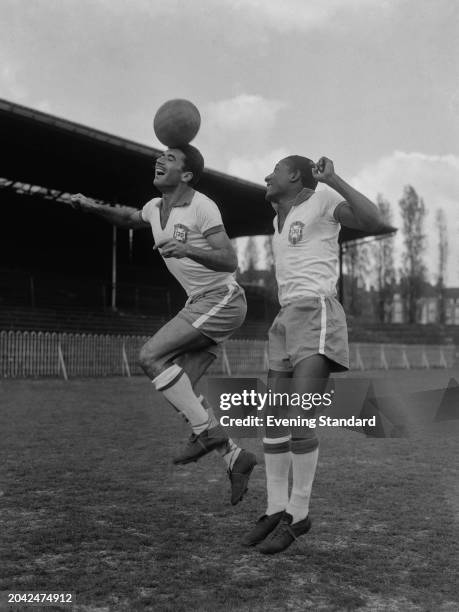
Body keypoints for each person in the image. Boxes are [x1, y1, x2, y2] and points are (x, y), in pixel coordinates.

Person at [70, 144, 257, 505]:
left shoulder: (203, 206)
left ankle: (207, 435)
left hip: (222, 298)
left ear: (186, 175)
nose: (159, 160)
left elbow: (229, 259)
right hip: (202, 302)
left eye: (170, 159)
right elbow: (127, 217)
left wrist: (188, 249)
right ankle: (235, 456)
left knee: (151, 356)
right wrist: (91, 206)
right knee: (182, 393)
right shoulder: (156, 208)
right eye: (161, 156)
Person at [242, 155, 387, 552]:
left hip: (316, 312)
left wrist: (335, 179)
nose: (267, 175)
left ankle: (300, 514)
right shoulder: (279, 216)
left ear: (295, 175)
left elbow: (373, 221)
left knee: (300, 414)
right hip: (286, 318)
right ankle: (276, 508)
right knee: (272, 417)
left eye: (275, 170)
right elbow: (278, 205)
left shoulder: (323, 201)